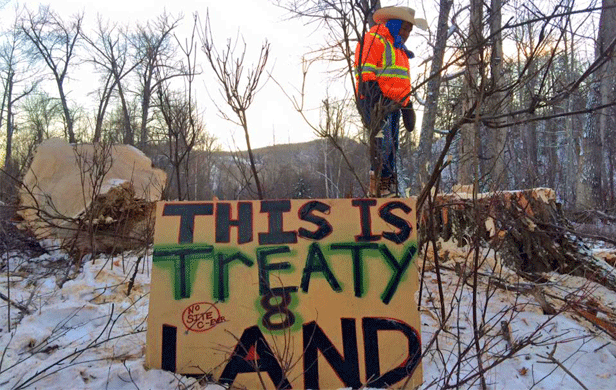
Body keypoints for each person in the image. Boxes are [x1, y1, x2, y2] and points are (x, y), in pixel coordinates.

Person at [355, 6, 427, 197]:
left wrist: (407, 105)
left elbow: (401, 82)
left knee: (393, 147)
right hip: (375, 103)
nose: (406, 34)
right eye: (403, 28)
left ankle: (388, 187)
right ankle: (377, 186)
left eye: (409, 31)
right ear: (393, 24)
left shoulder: (400, 51)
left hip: (393, 105)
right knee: (382, 144)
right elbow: (365, 76)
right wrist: (377, 102)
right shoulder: (374, 39)